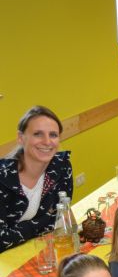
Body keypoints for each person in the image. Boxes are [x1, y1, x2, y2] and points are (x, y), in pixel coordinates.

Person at [0, 105, 72, 251]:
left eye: (53, 135)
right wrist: (41, 223)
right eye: (38, 134)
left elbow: (61, 218)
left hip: (34, 249)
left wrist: (21, 229)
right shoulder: (3, 177)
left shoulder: (61, 166)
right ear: (21, 138)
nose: (47, 142)